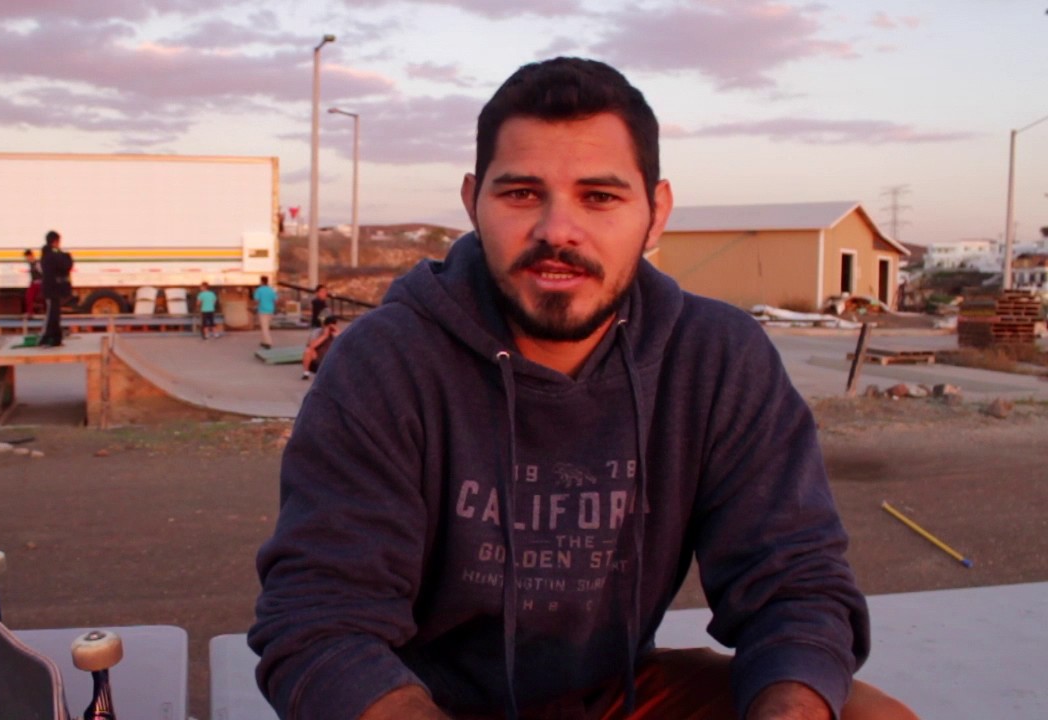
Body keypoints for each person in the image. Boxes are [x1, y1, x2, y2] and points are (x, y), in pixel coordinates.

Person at [251, 58, 918, 720]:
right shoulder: (386, 362)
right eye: (520, 194)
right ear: (472, 202)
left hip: (618, 696)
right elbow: (320, 618)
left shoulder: (717, 358)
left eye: (600, 197)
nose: (556, 231)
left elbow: (795, 587)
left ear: (655, 213)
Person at [37, 230, 73, 347]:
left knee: (54, 314)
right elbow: (66, 265)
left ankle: (56, 338)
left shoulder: (45, 254)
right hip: (53, 289)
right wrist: (68, 256)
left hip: (51, 289)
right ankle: (46, 338)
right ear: (55, 241)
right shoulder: (53, 255)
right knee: (52, 314)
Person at [300, 315, 339, 381]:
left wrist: (337, 335)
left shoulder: (339, 333)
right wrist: (324, 336)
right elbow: (311, 345)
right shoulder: (316, 332)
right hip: (318, 359)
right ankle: (306, 373)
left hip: (331, 360)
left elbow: (347, 347)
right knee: (308, 350)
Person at [253, 275, 278, 349]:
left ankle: (268, 342)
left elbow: (256, 300)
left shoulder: (259, 290)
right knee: (266, 327)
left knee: (264, 328)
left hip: (262, 310)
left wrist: (255, 307)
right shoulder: (271, 290)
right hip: (271, 310)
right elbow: (276, 300)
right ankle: (263, 341)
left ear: (261, 281)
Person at [23, 248, 43, 318]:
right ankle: (30, 312)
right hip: (34, 283)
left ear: (31, 256)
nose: (27, 259)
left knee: (42, 298)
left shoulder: (37, 263)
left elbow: (43, 273)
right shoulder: (31, 264)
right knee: (29, 296)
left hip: (40, 283)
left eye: (27, 257)